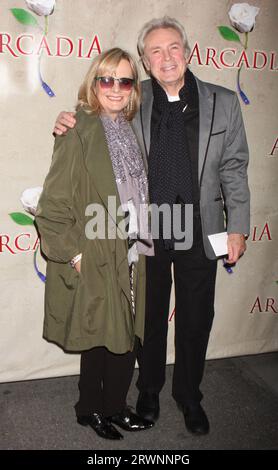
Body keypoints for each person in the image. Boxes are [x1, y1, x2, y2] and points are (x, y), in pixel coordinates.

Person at [53, 16, 250, 436]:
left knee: (196, 318)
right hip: (148, 228)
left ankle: (189, 396)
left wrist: (239, 227)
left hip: (200, 226)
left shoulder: (224, 102)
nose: (166, 57)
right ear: (144, 59)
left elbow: (234, 168)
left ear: (188, 50)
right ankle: (148, 391)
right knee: (148, 317)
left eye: (173, 47)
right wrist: (65, 121)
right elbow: (93, 119)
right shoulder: (131, 98)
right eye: (155, 50)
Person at [36, 47, 154, 441]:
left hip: (135, 246)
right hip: (97, 248)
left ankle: (116, 407)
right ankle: (90, 409)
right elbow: (52, 204)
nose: (116, 88)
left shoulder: (132, 127)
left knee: (126, 333)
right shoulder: (78, 128)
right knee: (100, 336)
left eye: (125, 80)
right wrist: (75, 253)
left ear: (134, 88)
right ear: (94, 82)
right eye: (107, 79)